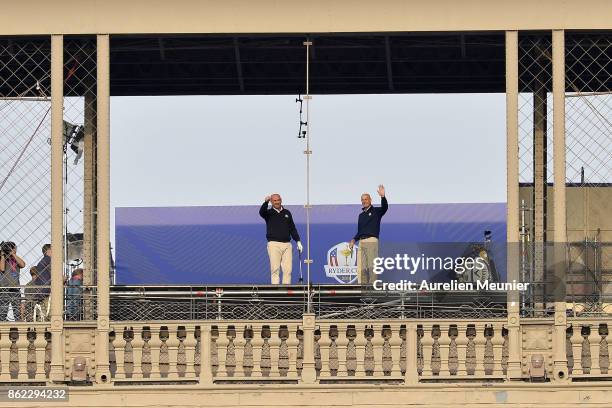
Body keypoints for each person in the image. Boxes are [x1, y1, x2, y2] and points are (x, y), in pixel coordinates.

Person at [259, 194, 303, 284]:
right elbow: (261, 212)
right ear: (271, 202)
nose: (277, 202)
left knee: (288, 269)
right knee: (275, 269)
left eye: (278, 200)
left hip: (287, 244)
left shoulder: (287, 212)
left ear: (281, 200)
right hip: (274, 244)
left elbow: (292, 228)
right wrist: (265, 202)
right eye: (274, 201)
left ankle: (286, 289)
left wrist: (298, 241)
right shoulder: (268, 213)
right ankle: (276, 290)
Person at [349, 185, 388, 284]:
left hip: (371, 240)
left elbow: (385, 207)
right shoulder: (361, 215)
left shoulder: (376, 211)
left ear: (370, 200)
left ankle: (372, 288)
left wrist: (383, 197)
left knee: (371, 266)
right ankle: (362, 288)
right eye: (362, 200)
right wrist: (354, 239)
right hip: (361, 241)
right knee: (361, 267)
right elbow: (360, 231)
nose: (364, 201)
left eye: (366, 199)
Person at [0, 241, 25, 321]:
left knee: (17, 312)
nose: (15, 249)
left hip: (15, 288)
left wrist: (13, 254)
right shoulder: (1, 259)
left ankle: (19, 328)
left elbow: (23, 264)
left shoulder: (15, 259)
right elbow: (2, 268)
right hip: (4, 289)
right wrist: (3, 255)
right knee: (3, 312)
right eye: (15, 248)